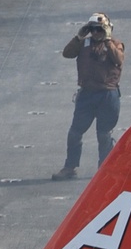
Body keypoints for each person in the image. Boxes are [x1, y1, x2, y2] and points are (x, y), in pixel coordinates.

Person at [52, 12, 125, 180]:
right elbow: (67, 53)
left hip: (107, 94)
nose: (96, 33)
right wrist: (79, 35)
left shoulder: (116, 44)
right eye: (93, 30)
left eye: (100, 29)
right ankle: (70, 167)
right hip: (87, 94)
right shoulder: (84, 43)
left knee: (103, 133)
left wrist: (107, 40)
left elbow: (119, 60)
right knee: (75, 132)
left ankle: (104, 168)